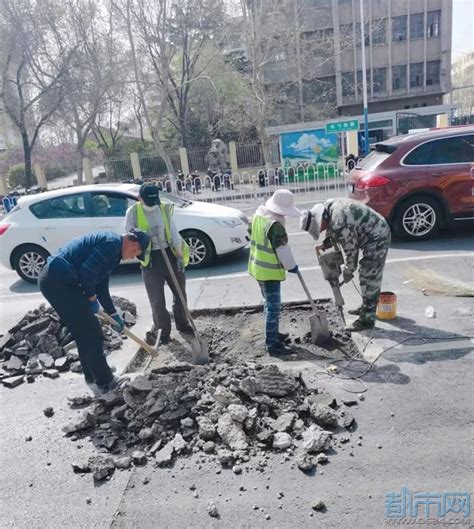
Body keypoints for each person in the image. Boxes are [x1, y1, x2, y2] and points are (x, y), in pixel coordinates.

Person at [38, 230, 150, 394]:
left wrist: (114, 314)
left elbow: (101, 286)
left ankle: (93, 375)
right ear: (133, 243)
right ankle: (106, 382)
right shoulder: (111, 245)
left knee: (84, 332)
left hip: (60, 281)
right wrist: (91, 299)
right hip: (58, 281)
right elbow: (86, 274)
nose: (133, 257)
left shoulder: (114, 252)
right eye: (136, 253)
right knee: (92, 333)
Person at [300, 198, 391, 331]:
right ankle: (366, 306)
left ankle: (367, 320)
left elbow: (351, 250)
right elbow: (335, 232)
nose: (320, 231)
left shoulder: (339, 220)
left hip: (377, 236)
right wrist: (325, 244)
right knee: (366, 274)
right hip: (370, 231)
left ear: (320, 219)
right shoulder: (329, 208)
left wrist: (348, 270)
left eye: (319, 228)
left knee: (368, 275)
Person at [125, 182, 191, 346]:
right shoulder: (132, 212)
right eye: (149, 202)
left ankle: (183, 324)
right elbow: (129, 237)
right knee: (157, 300)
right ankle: (163, 332)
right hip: (151, 260)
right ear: (140, 198)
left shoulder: (162, 208)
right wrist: (145, 235)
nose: (153, 205)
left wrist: (180, 256)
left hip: (169, 253)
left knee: (180, 292)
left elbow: (174, 232)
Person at [248, 189, 300, 356]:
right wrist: (292, 266)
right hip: (269, 272)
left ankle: (273, 333)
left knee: (268, 304)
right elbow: (283, 251)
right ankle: (272, 344)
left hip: (257, 268)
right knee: (273, 307)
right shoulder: (275, 225)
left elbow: (250, 232)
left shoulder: (259, 214)